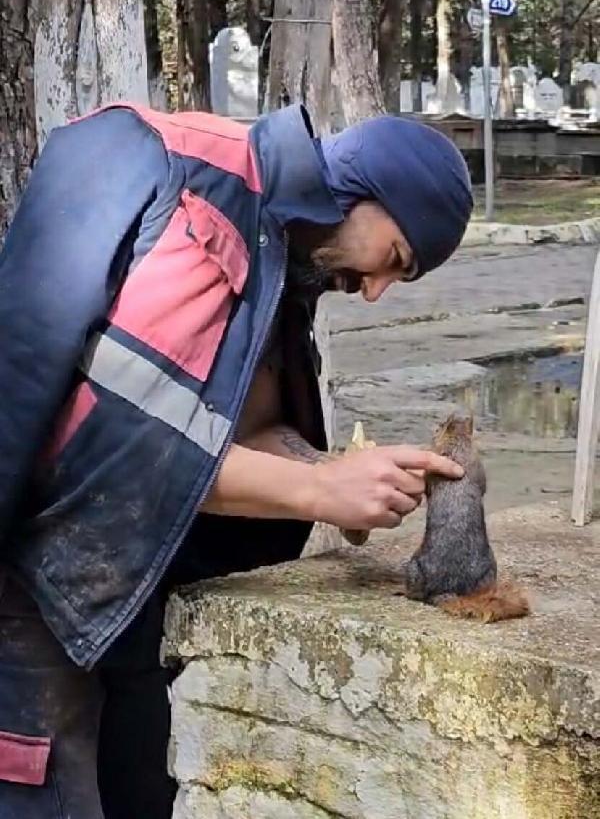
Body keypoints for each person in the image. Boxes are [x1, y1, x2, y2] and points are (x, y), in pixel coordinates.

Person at [0, 101, 473, 818]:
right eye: (396, 260)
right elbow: (125, 445)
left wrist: (331, 473)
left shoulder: (281, 255)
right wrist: (321, 493)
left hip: (128, 603)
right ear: (367, 189)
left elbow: (235, 429)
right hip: (33, 587)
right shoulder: (159, 160)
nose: (375, 292)